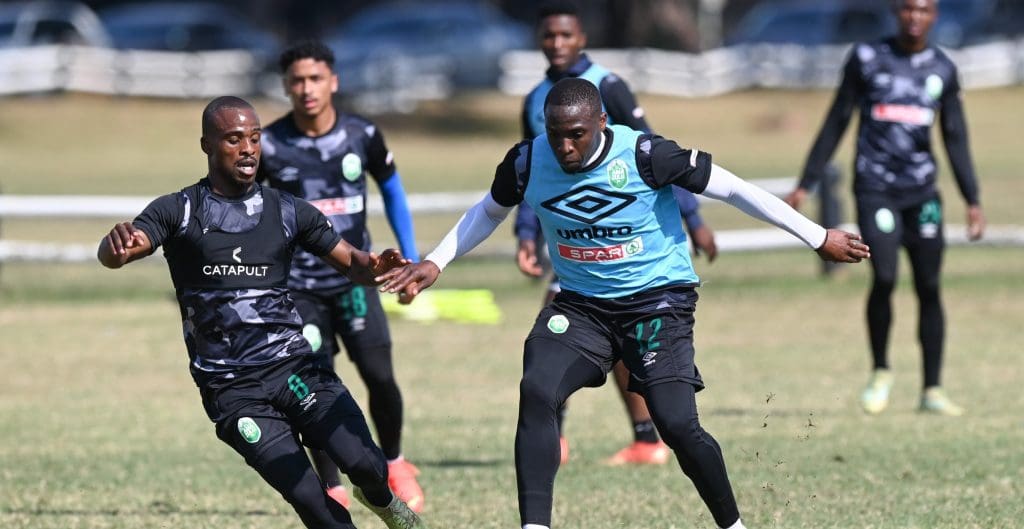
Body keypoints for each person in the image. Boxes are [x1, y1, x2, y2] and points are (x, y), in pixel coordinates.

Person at [379, 78, 870, 529]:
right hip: (581, 307)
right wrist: (435, 262)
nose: (565, 146)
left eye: (575, 134)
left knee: (676, 424)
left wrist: (817, 235)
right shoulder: (528, 161)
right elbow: (488, 210)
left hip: (657, 304)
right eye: (555, 134)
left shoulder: (646, 156)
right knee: (537, 388)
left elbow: (735, 189)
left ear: (602, 123)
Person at [97, 96, 426, 529]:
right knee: (313, 502)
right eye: (234, 139)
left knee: (364, 463)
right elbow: (120, 249)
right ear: (207, 145)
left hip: (295, 367)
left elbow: (352, 262)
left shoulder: (286, 210)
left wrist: (378, 267)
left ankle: (384, 503)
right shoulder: (180, 210)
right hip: (231, 388)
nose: (249, 148)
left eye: (254, 138)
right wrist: (115, 247)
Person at [514, 0, 718, 466]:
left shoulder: (608, 87)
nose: (558, 44)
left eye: (566, 35)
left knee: (607, 327)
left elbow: (658, 158)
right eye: (549, 36)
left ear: (582, 38)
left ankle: (640, 436)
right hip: (570, 239)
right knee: (565, 333)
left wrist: (694, 219)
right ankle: (588, 436)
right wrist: (525, 234)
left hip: (624, 243)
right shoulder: (534, 100)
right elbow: (529, 173)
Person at [785, 0, 984, 416]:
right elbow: (837, 120)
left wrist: (972, 199)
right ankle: (880, 371)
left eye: (924, 10)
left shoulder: (943, 68)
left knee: (929, 286)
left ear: (935, 16)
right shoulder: (866, 58)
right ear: (897, 12)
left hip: (922, 192)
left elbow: (956, 135)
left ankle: (932, 388)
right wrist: (806, 181)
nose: (915, 17)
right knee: (887, 275)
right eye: (908, 9)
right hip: (875, 188)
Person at [257, 40, 425, 511]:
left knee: (380, 376)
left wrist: (410, 260)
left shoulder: (362, 135)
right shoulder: (269, 144)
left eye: (315, 79)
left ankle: (393, 463)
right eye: (296, 81)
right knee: (316, 384)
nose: (306, 89)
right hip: (299, 288)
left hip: (356, 281)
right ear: (286, 87)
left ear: (333, 80)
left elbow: (392, 190)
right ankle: (331, 486)